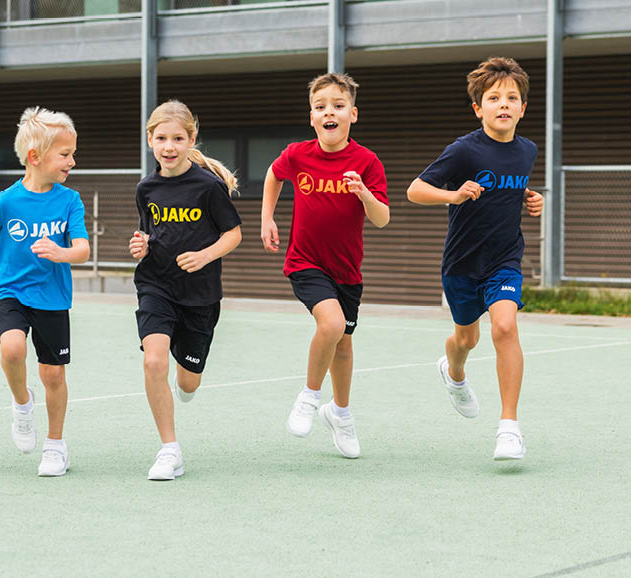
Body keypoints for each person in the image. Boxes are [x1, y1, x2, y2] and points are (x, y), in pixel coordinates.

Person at [406, 56, 543, 460]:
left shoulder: (527, 150)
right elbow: (415, 190)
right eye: (494, 97)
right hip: (462, 265)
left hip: (504, 259)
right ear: (478, 108)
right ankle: (454, 372)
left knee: (504, 327)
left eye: (512, 97)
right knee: (466, 339)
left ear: (522, 108)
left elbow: (509, 188)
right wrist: (453, 194)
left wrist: (530, 199)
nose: (504, 104)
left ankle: (509, 429)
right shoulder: (464, 150)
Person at [0, 107, 89, 477]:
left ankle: (55, 445)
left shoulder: (69, 201)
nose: (72, 161)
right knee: (11, 348)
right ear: (35, 157)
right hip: (10, 290)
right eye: (65, 154)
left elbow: (83, 250)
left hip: (53, 297)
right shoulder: (6, 201)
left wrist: (61, 252)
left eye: (73, 153)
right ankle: (22, 404)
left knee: (53, 375)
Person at [261, 72, 389, 459]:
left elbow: (382, 218)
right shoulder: (298, 154)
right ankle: (310, 396)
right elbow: (273, 174)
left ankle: (341, 414)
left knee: (344, 345)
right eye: (321, 107)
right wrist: (268, 217)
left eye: (337, 106)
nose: (328, 112)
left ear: (353, 114)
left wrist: (363, 193)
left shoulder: (367, 162)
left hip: (347, 270)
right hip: (305, 261)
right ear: (312, 117)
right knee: (331, 325)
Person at [129, 100, 242, 481]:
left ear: (191, 139)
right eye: (161, 138)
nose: (169, 146)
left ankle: (186, 375)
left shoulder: (209, 188)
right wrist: (140, 246)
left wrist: (206, 255)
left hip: (200, 294)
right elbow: (148, 231)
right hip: (156, 284)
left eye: (178, 138)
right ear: (150, 140)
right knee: (153, 361)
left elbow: (233, 234)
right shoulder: (146, 187)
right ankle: (169, 450)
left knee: (188, 381)